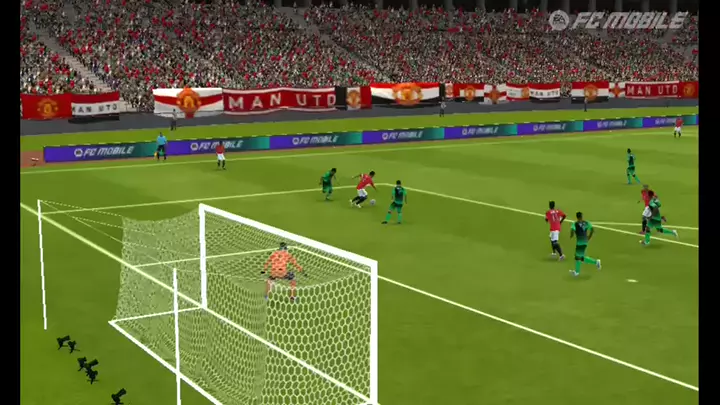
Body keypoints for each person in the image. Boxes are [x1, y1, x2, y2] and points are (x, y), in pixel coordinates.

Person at [569, 212, 602, 277]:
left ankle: (577, 272)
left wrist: (571, 235)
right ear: (582, 216)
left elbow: (572, 230)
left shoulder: (575, 224)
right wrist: (589, 237)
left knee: (577, 257)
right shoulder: (586, 223)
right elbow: (592, 229)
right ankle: (596, 262)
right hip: (585, 241)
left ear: (577, 217)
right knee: (581, 258)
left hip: (580, 242)